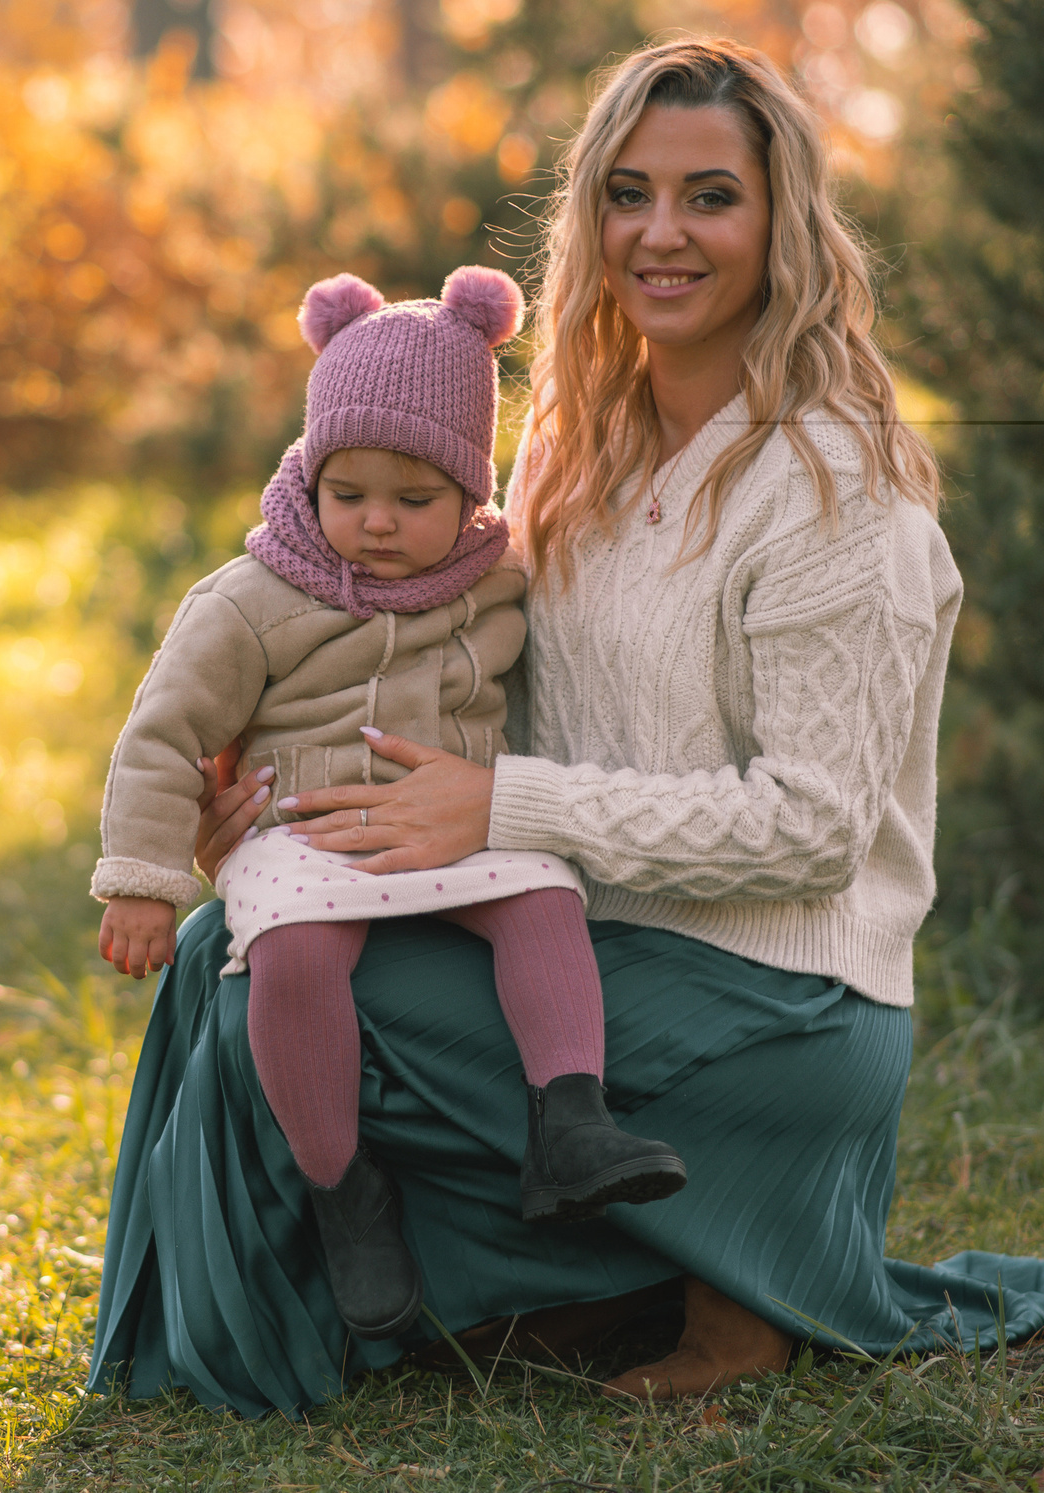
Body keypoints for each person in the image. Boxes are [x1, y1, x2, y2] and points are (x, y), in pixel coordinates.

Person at [88, 38, 1044, 1419]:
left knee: (276, 997)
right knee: (234, 943)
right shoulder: (571, 445)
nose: (661, 232)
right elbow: (470, 691)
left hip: (780, 989)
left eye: (710, 196)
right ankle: (575, 1272)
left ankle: (725, 1268)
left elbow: (813, 829)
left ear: (782, 225)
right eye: (627, 193)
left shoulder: (837, 496)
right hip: (577, 929)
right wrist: (270, 804)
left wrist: (505, 809)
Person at [91, 265, 684, 1342]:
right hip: (303, 826)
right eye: (348, 493)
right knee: (295, 953)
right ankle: (342, 1187)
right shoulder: (253, 598)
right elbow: (163, 734)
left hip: (451, 817)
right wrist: (143, 880)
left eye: (415, 501)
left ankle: (570, 1118)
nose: (375, 523)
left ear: (470, 495)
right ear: (309, 474)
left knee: (543, 894)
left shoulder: (495, 580)